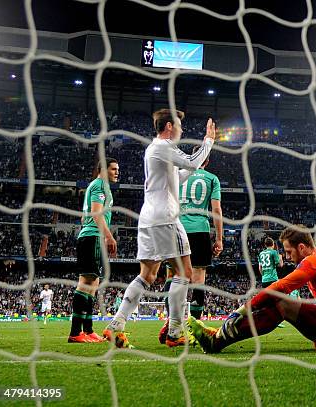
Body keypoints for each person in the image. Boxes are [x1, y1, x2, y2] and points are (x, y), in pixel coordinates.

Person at [103, 109, 215, 348]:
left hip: (148, 218)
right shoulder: (164, 147)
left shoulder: (154, 149)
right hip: (166, 217)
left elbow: (180, 175)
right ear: (169, 127)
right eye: (180, 127)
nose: (182, 131)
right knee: (185, 272)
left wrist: (194, 165)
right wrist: (209, 142)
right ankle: (175, 331)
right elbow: (192, 161)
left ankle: (117, 325)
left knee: (148, 275)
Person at [187, 227, 316, 353]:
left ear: (302, 247)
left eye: (289, 252)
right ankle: (219, 336)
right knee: (280, 302)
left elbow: (280, 287)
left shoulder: (314, 261)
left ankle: (217, 340)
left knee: (282, 301)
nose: (287, 257)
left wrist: (241, 310)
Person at [158, 148, 223, 344]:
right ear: (208, 160)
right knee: (198, 279)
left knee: (173, 276)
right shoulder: (212, 178)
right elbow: (216, 209)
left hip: (176, 229)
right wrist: (219, 238)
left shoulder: (178, 175)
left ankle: (171, 323)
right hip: (199, 230)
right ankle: (196, 327)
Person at [68, 157, 119, 343]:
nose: (116, 172)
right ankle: (75, 332)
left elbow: (85, 217)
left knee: (93, 284)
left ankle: (87, 330)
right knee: (86, 282)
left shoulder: (96, 186)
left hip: (90, 235)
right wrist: (108, 235)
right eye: (113, 169)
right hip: (93, 237)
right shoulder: (99, 186)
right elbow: (97, 213)